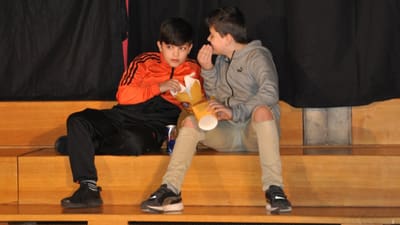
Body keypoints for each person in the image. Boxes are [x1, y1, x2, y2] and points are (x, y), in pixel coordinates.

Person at [141, 6, 292, 214]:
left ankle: (275, 190)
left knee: (263, 111)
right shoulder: (220, 61)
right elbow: (215, 96)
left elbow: (270, 93)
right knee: (191, 122)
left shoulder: (257, 56)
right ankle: (171, 189)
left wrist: (234, 112)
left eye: (212, 35)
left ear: (227, 38)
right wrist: (209, 70)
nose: (209, 40)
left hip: (254, 134)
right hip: (229, 133)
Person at [58, 17, 201, 208]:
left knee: (133, 143)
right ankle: (88, 188)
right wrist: (159, 87)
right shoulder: (144, 61)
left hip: (156, 123)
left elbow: (202, 103)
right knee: (77, 120)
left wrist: (187, 104)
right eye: (170, 47)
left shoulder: (194, 69)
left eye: (182, 48)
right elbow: (123, 95)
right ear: (160, 46)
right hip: (125, 113)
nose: (176, 53)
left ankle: (80, 145)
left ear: (190, 48)